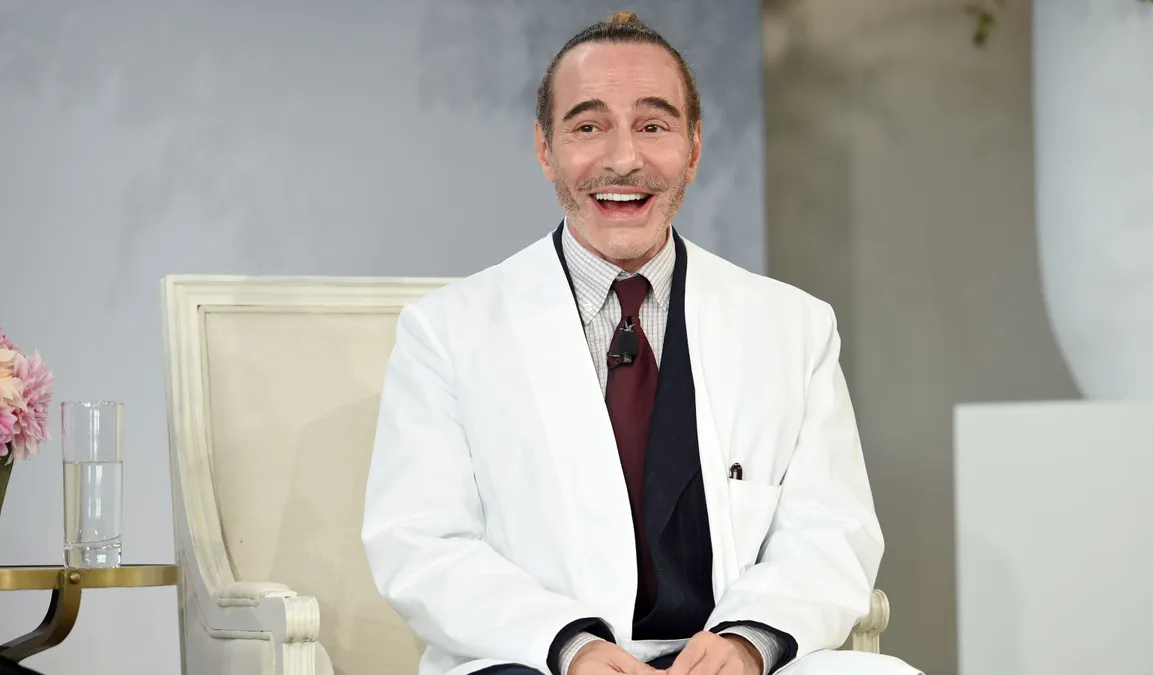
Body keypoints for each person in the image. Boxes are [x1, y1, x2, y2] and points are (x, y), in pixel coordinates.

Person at [362, 10, 921, 675]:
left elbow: (833, 532)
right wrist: (570, 644)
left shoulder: (793, 328)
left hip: (726, 658)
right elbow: (422, 544)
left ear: (693, 146)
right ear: (546, 149)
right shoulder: (446, 331)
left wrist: (748, 640)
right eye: (588, 126)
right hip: (535, 659)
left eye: (653, 126)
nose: (623, 158)